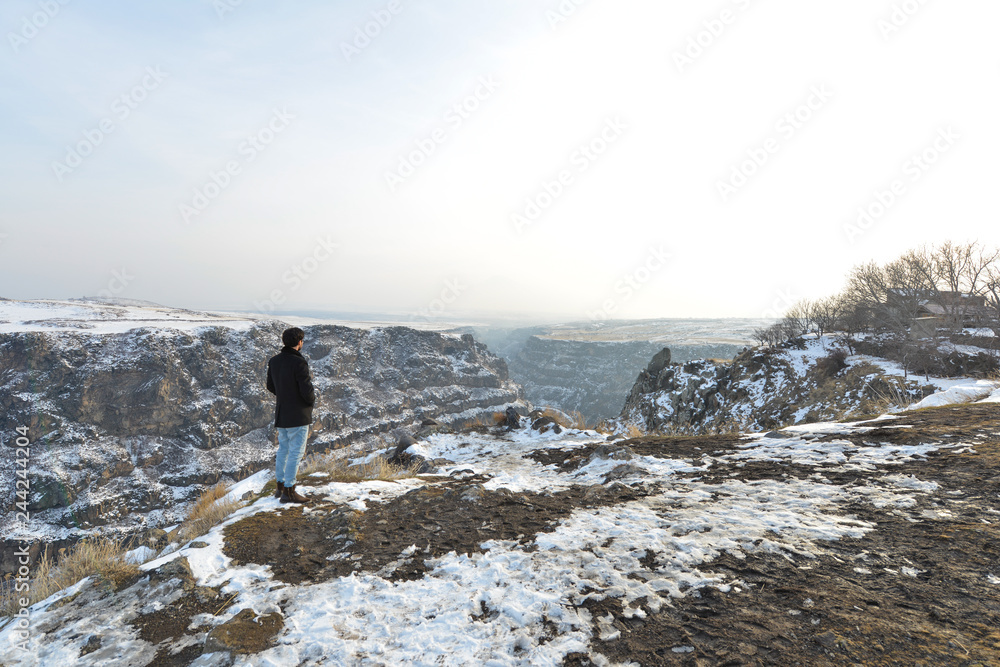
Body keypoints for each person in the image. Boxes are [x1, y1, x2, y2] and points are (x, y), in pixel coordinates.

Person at [266, 327, 315, 504]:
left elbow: (270, 386)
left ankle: (280, 488)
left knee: (283, 450)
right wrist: (309, 402)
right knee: (296, 453)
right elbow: (306, 390)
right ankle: (290, 492)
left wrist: (284, 395)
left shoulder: (274, 361)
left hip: (282, 413)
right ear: (299, 342)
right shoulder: (299, 363)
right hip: (298, 415)